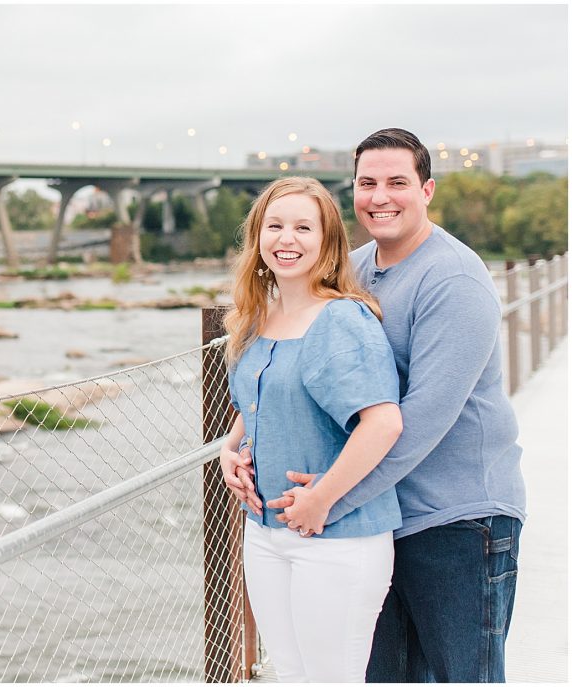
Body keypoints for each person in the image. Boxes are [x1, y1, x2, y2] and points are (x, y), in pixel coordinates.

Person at [227, 128, 526, 683]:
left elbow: (416, 424)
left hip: (456, 517)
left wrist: (325, 500)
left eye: (397, 182)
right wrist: (240, 444)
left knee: (464, 676)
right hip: (379, 512)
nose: (380, 196)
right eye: (367, 183)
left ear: (427, 189)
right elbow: (292, 361)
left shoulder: (454, 280)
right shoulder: (353, 270)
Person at [218, 176, 404, 682]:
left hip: (337, 536)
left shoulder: (342, 319)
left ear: (327, 243)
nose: (287, 238)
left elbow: (383, 421)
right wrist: (229, 448)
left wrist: (321, 497)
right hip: (265, 533)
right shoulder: (258, 317)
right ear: (257, 238)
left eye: (303, 227)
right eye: (274, 226)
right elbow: (265, 394)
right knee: (291, 676)